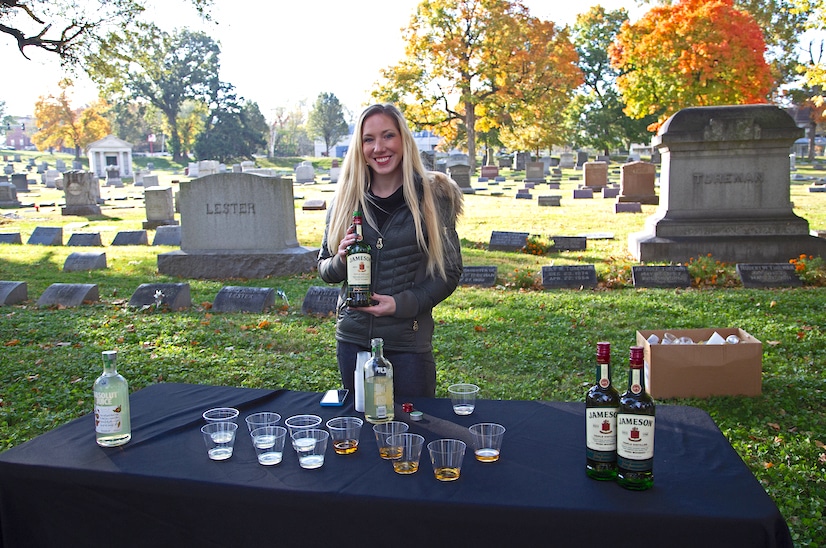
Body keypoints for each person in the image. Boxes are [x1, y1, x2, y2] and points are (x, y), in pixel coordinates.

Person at [317, 103, 464, 398]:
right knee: (365, 430)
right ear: (359, 147)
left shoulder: (434, 197)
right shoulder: (345, 199)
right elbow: (324, 268)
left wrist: (399, 305)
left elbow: (448, 273)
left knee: (416, 433)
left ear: (403, 140)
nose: (378, 147)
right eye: (368, 139)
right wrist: (341, 260)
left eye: (388, 136)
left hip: (407, 343)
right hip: (353, 340)